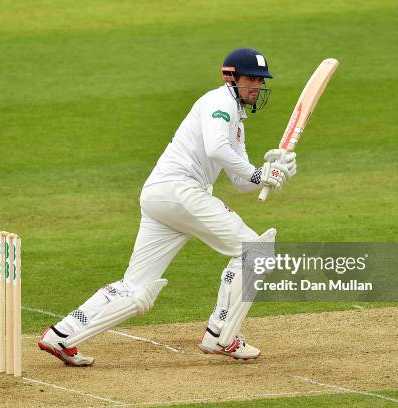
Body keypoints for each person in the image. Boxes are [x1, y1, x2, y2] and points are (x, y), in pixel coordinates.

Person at [38, 48, 297, 366]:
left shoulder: (236, 120)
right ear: (232, 78)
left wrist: (271, 171)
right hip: (180, 190)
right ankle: (220, 335)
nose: (257, 86)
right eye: (251, 79)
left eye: (261, 80)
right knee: (253, 251)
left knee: (137, 289)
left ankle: (61, 335)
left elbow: (241, 180)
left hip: (162, 194)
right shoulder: (220, 104)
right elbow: (217, 150)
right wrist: (257, 173)